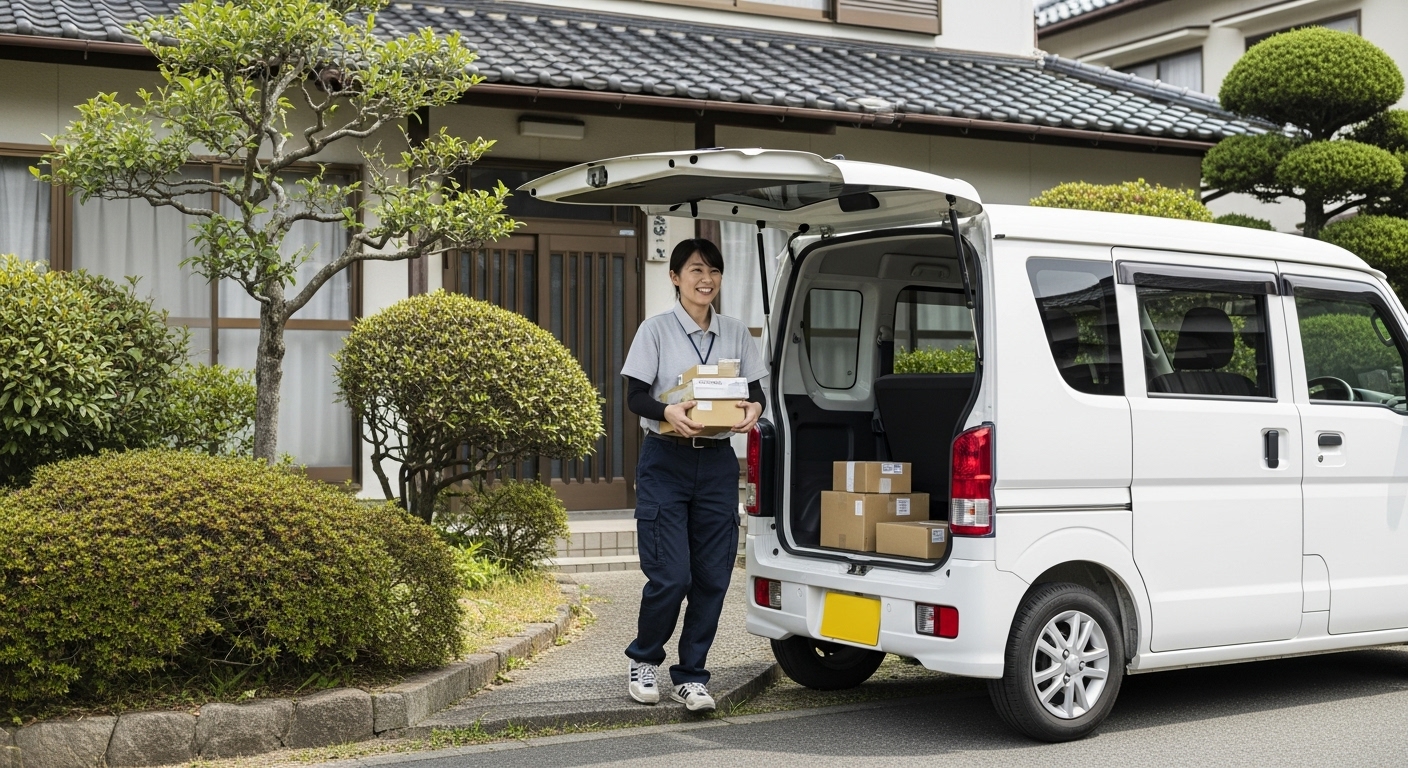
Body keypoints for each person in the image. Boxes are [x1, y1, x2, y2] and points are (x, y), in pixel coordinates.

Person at [619, 238, 767, 712]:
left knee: (712, 575)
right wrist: (670, 410)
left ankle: (692, 675)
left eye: (715, 272)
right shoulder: (656, 329)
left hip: (718, 462)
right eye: (697, 270)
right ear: (675, 277)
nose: (707, 280)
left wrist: (753, 409)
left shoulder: (735, 331)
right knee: (671, 575)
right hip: (666, 457)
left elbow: (756, 388)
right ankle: (644, 660)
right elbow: (635, 396)